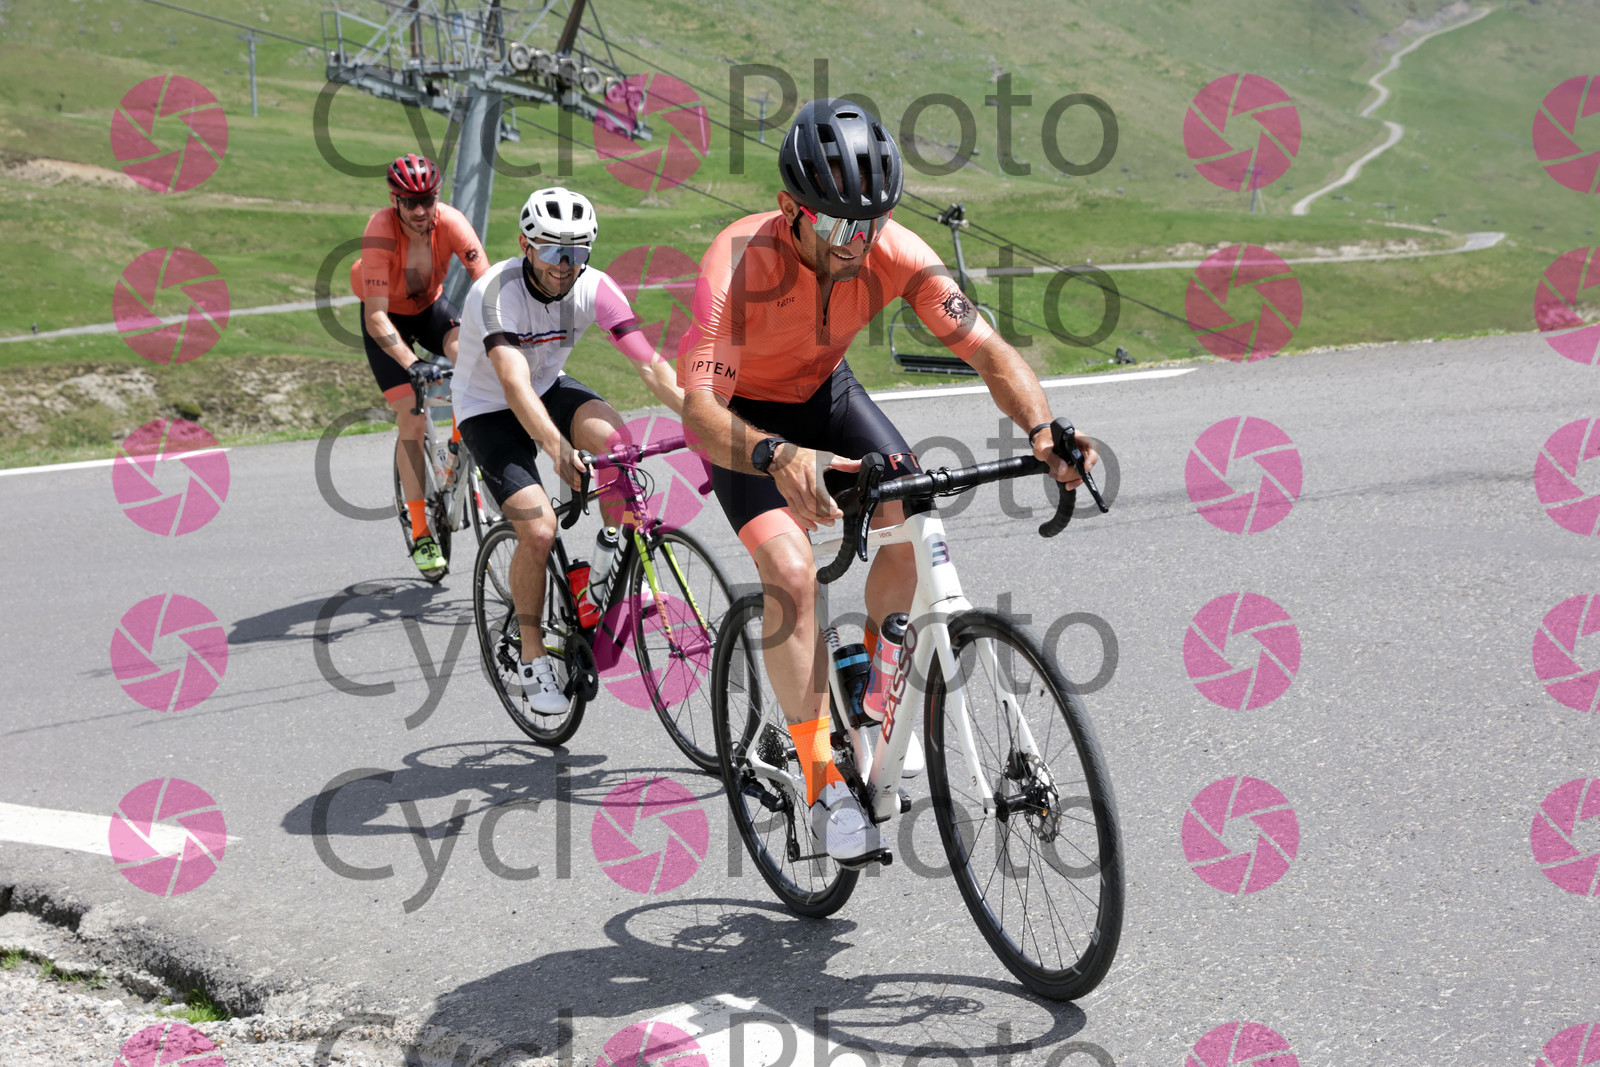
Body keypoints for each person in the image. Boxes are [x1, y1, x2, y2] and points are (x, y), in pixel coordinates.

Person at [678, 99, 1099, 864]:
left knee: (913, 513)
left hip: (824, 393)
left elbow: (989, 351)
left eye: (872, 224)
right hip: (746, 422)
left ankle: (873, 696)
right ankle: (820, 782)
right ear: (791, 211)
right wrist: (777, 456)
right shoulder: (738, 261)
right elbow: (698, 411)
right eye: (842, 228)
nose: (859, 244)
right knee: (792, 574)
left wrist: (1043, 429)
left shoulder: (893, 249)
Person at [453, 186, 685, 715]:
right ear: (525, 245)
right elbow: (513, 385)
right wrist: (557, 449)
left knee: (619, 448)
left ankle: (603, 573)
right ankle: (532, 655)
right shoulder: (496, 292)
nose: (565, 264)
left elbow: (651, 367)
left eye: (577, 251)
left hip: (548, 386)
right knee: (538, 530)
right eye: (554, 250)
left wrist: (704, 420)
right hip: (488, 407)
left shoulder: (595, 287)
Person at [350, 153, 489, 577]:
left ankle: (462, 442)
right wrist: (413, 364)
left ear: (436, 197)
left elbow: (486, 285)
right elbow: (376, 317)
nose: (419, 210)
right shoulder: (379, 231)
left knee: (473, 360)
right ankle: (420, 529)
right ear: (395, 200)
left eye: (427, 200)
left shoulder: (452, 222)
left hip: (430, 308)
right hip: (386, 320)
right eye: (410, 202)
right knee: (411, 421)